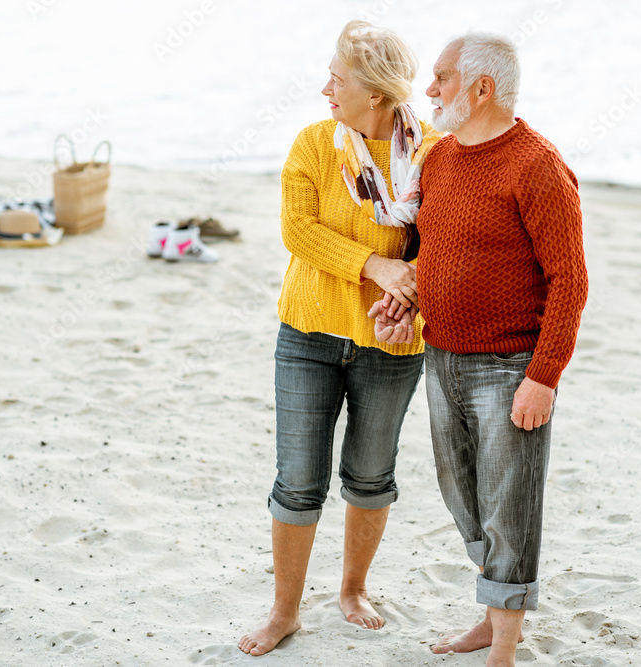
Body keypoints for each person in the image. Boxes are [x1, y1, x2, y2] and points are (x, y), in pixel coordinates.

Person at [371, 32, 588, 667]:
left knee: (509, 502)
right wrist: (405, 300)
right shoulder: (438, 160)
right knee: (462, 494)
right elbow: (426, 250)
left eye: (441, 78)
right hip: (440, 357)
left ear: (482, 88)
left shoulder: (538, 166)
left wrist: (543, 376)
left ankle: (504, 646)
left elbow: (569, 281)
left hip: (510, 367)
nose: (429, 90)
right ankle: (494, 618)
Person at [237, 20, 439, 657]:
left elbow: (441, 242)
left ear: (374, 95)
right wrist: (374, 266)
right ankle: (285, 612)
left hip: (394, 340)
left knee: (371, 477)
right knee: (297, 480)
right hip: (308, 335)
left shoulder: (433, 154)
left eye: (338, 78)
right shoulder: (313, 145)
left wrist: (410, 294)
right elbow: (299, 232)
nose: (326, 87)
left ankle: (353, 591)